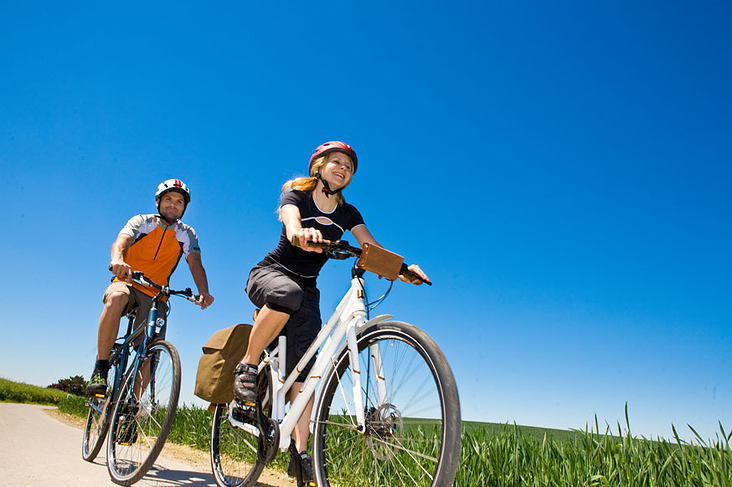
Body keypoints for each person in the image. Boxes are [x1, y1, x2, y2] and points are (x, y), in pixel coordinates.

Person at [232, 141, 428, 481]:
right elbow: (291, 221)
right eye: (336, 162)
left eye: (348, 167)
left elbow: (372, 247)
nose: (342, 168)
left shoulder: (348, 213)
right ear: (319, 167)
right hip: (271, 274)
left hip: (307, 292)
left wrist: (403, 269)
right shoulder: (298, 195)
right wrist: (299, 233)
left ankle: (301, 451)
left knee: (307, 373)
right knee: (288, 293)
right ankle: (247, 367)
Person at [86, 179, 215, 396]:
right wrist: (118, 260)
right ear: (158, 201)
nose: (173, 205)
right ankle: (101, 367)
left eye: (179, 202)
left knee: (152, 349)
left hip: (156, 294)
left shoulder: (186, 233)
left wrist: (203, 291)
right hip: (127, 281)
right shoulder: (143, 221)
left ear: (184, 208)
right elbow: (121, 241)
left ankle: (130, 407)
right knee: (115, 298)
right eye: (168, 200)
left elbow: (195, 262)